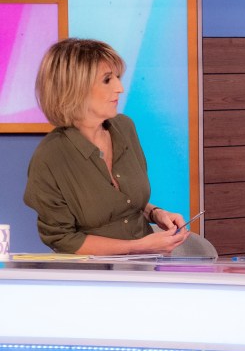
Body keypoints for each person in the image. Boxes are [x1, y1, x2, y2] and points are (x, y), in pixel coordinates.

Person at [23, 38, 189, 255]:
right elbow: (63, 239)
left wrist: (156, 213)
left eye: (117, 78)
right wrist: (137, 247)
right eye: (107, 80)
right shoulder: (49, 157)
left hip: (148, 269)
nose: (120, 88)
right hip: (94, 279)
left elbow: (123, 204)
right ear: (75, 88)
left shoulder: (124, 127)